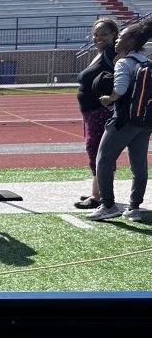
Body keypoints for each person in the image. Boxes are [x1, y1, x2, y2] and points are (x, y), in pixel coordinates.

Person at [88, 15, 152, 221]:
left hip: (124, 119)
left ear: (131, 42)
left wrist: (109, 98)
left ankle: (108, 205)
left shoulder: (124, 62)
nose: (117, 40)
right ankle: (134, 207)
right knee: (139, 165)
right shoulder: (146, 61)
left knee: (104, 159)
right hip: (144, 120)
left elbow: (121, 89)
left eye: (121, 37)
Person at [74, 18, 118, 209]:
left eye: (104, 34)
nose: (99, 38)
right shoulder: (100, 54)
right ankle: (98, 191)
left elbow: (124, 74)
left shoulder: (112, 53)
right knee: (96, 152)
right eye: (96, 35)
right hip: (91, 113)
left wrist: (113, 96)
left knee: (98, 152)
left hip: (101, 111)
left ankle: (99, 196)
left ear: (114, 35)